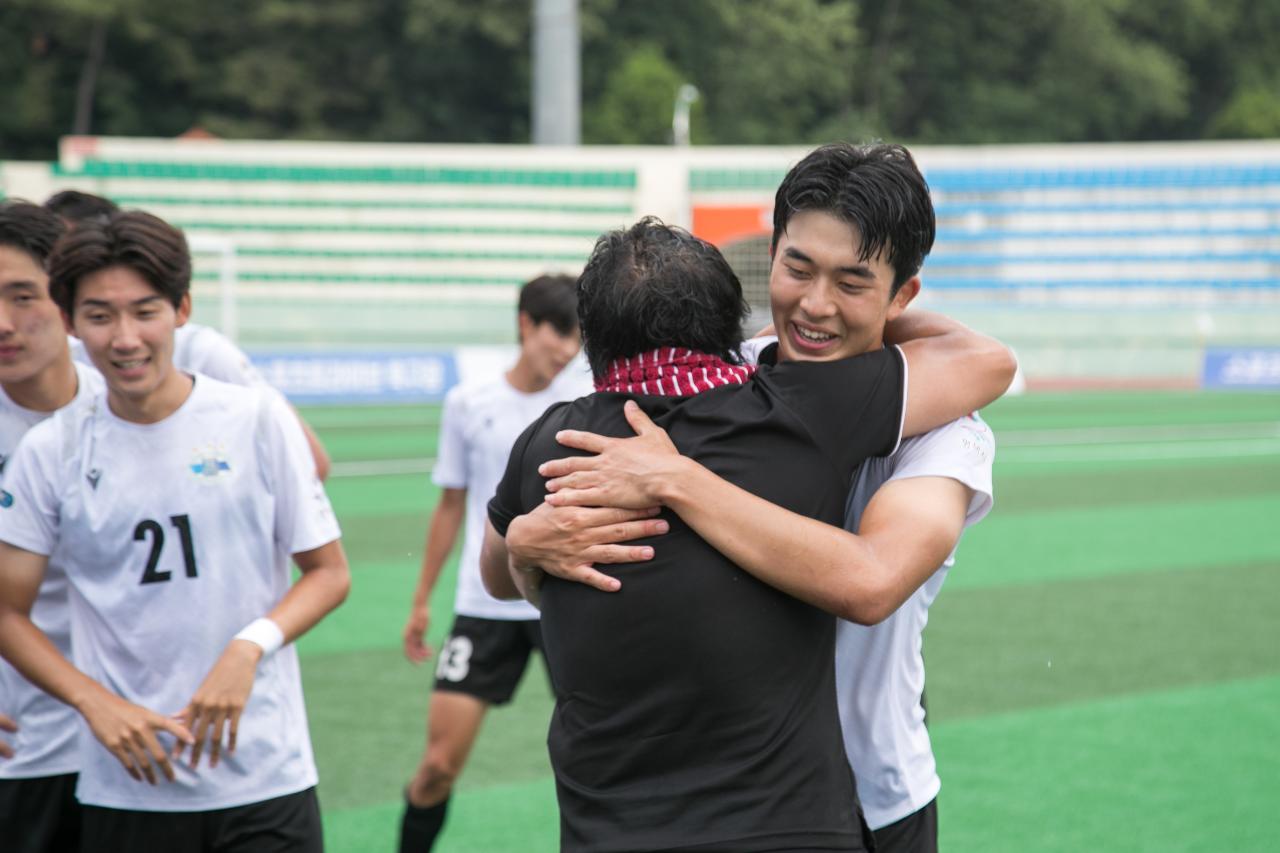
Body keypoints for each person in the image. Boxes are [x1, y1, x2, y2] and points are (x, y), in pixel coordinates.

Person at [500, 142, 998, 853]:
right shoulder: (724, 377)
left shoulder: (947, 429)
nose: (814, 304)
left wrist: (676, 478)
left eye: (854, 281)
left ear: (905, 294)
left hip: (874, 794)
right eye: (798, 267)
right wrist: (524, 544)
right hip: (725, 798)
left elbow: (872, 579)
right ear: (772, 254)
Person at [0, 210, 350, 852]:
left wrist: (248, 647)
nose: (126, 338)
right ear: (73, 321)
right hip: (125, 784)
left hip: (265, 775)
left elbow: (328, 571)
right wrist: (94, 703)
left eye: (146, 311)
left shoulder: (256, 418)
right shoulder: (52, 452)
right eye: (100, 316)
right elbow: (8, 611)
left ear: (182, 309)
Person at [397, 274, 589, 852]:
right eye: (557, 332)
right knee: (436, 769)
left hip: (562, 602)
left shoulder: (583, 401)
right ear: (524, 324)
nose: (566, 348)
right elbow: (451, 504)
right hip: (482, 604)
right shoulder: (469, 402)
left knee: (598, 769)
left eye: (577, 336)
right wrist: (422, 598)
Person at [44, 190, 332, 481]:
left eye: (144, 312)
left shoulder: (203, 351)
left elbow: (308, 462)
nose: (126, 340)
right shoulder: (50, 432)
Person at [0, 201, 104, 853]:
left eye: (23, 296)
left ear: (65, 304)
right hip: (18, 751)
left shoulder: (128, 411)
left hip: (129, 748)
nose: (3, 324)